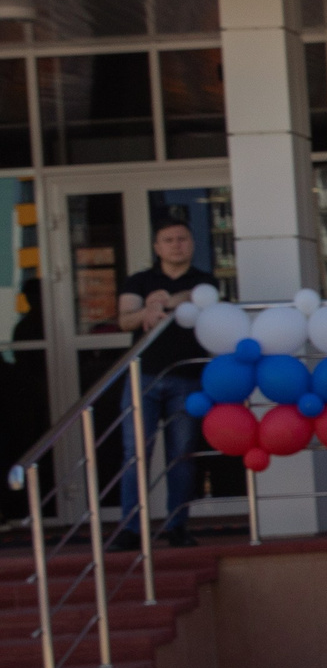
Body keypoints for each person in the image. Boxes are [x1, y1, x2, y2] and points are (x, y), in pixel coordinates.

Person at [112, 212, 218, 548]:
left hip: (187, 377)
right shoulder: (138, 281)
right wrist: (146, 312)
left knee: (182, 454)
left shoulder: (205, 281)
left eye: (182, 239)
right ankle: (130, 529)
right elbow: (125, 321)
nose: (176, 245)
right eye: (169, 240)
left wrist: (167, 302)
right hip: (143, 376)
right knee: (135, 454)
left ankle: (177, 526)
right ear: (158, 247)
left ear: (193, 244)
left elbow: (201, 298)